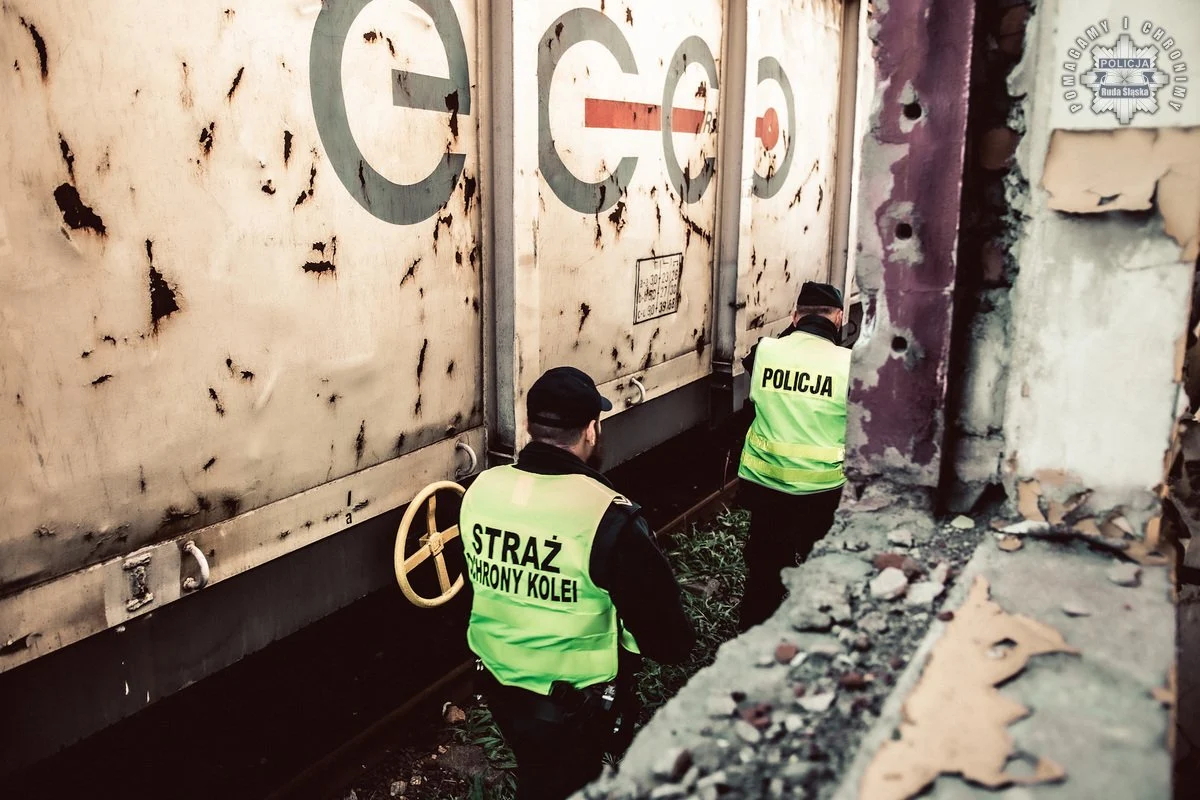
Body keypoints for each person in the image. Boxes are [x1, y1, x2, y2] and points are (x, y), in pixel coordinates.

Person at [460, 366, 695, 800]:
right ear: (591, 430)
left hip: (500, 689)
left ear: (529, 425)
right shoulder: (608, 514)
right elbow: (669, 641)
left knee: (538, 776)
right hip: (573, 707)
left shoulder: (482, 490)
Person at [736, 281, 851, 631]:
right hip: (822, 490)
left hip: (767, 485)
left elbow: (756, 361)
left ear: (794, 315)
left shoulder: (766, 351)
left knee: (765, 573)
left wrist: (795, 328)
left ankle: (755, 636)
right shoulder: (849, 365)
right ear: (839, 317)